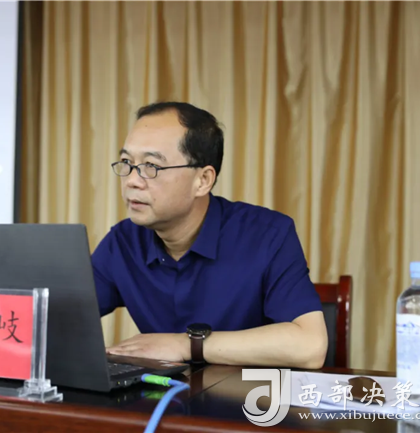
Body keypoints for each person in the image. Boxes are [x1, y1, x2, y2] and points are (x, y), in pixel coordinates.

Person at [92, 101, 328, 369]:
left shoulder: (267, 235)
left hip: (252, 393)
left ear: (203, 180)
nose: (132, 180)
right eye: (127, 162)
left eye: (151, 166)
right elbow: (62, 315)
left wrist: (185, 345)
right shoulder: (123, 242)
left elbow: (310, 346)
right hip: (164, 392)